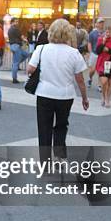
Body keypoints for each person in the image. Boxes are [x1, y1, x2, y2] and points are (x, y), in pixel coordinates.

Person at [27, 18, 89, 161]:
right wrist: (85, 98)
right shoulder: (74, 53)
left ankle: (45, 162)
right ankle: (60, 156)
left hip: (44, 93)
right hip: (65, 95)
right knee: (61, 125)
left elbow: (30, 69)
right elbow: (80, 79)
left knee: (44, 128)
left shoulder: (41, 49)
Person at [96, 26, 111, 108]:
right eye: (106, 32)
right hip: (103, 63)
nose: (108, 33)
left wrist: (108, 50)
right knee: (103, 82)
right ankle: (103, 96)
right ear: (104, 32)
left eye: (109, 32)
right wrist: (103, 42)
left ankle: (107, 100)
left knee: (110, 82)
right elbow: (98, 51)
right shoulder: (100, 39)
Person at [8, 17, 29, 83]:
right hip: (16, 46)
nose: (17, 23)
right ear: (12, 22)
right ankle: (14, 78)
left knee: (26, 54)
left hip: (13, 46)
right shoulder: (16, 29)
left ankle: (15, 65)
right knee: (16, 62)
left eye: (17, 21)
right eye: (16, 21)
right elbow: (21, 37)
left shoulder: (10, 29)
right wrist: (26, 40)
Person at [87, 17, 105, 91]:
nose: (101, 24)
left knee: (101, 70)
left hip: (102, 55)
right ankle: (90, 78)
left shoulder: (105, 33)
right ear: (96, 24)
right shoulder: (92, 33)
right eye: (100, 22)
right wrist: (90, 52)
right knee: (92, 70)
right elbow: (89, 43)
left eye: (102, 23)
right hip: (94, 54)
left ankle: (99, 85)